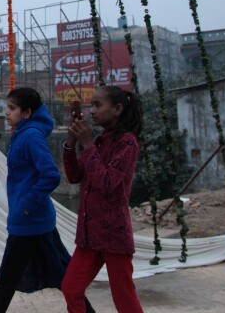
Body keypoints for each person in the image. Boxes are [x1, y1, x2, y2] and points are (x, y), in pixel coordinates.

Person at [0, 87, 95, 313]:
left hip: (29, 222)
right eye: (7, 107)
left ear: (27, 113)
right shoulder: (22, 133)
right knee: (62, 278)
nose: (6, 113)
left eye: (12, 108)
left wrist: (26, 206)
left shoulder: (31, 136)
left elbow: (51, 175)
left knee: (6, 281)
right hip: (34, 221)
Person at [61, 86, 144, 313]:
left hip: (114, 235)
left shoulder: (127, 144)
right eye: (91, 105)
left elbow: (107, 182)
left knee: (124, 299)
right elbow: (74, 176)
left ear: (117, 109)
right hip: (89, 235)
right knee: (71, 289)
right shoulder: (99, 141)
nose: (91, 111)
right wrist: (70, 144)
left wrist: (87, 144)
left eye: (98, 105)